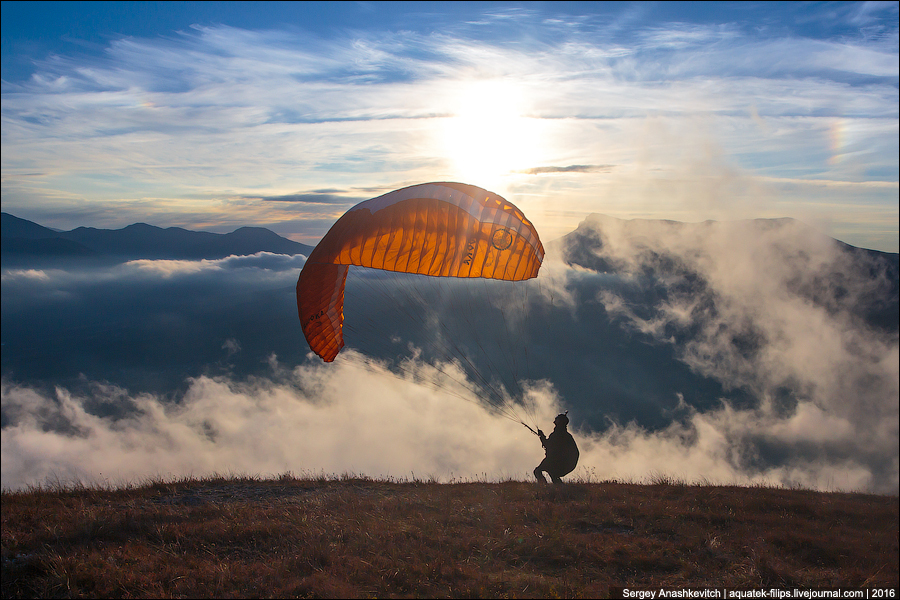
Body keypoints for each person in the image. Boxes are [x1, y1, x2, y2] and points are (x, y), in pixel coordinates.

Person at [534, 412, 579, 484]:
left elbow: (548, 444)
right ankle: (560, 489)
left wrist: (542, 436)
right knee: (554, 475)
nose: (554, 421)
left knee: (538, 471)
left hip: (557, 461)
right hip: (566, 464)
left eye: (556, 420)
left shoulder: (557, 435)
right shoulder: (566, 435)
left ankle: (544, 487)